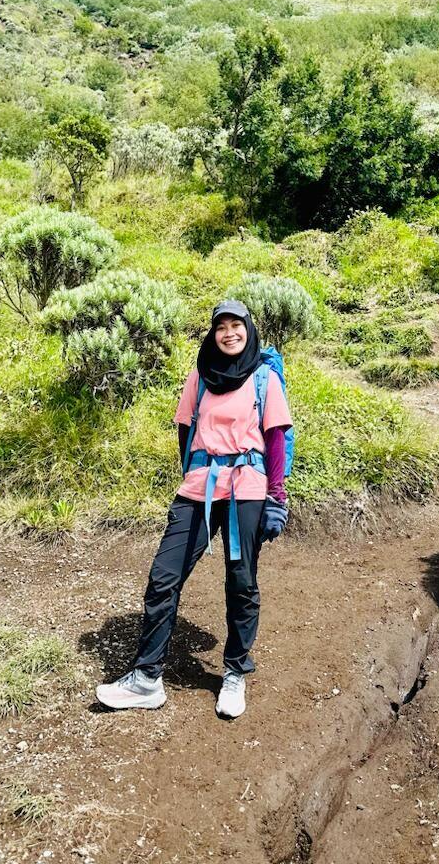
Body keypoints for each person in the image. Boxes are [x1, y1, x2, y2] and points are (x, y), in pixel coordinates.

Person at [95, 299, 292, 719]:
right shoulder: (199, 377)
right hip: (199, 489)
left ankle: (235, 673)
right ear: (212, 333)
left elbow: (275, 438)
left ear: (248, 328)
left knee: (241, 583)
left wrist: (276, 496)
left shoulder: (264, 377)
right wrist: (197, 470)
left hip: (247, 489)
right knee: (163, 577)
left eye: (236, 325)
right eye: (221, 326)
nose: (229, 333)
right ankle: (147, 678)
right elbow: (185, 429)